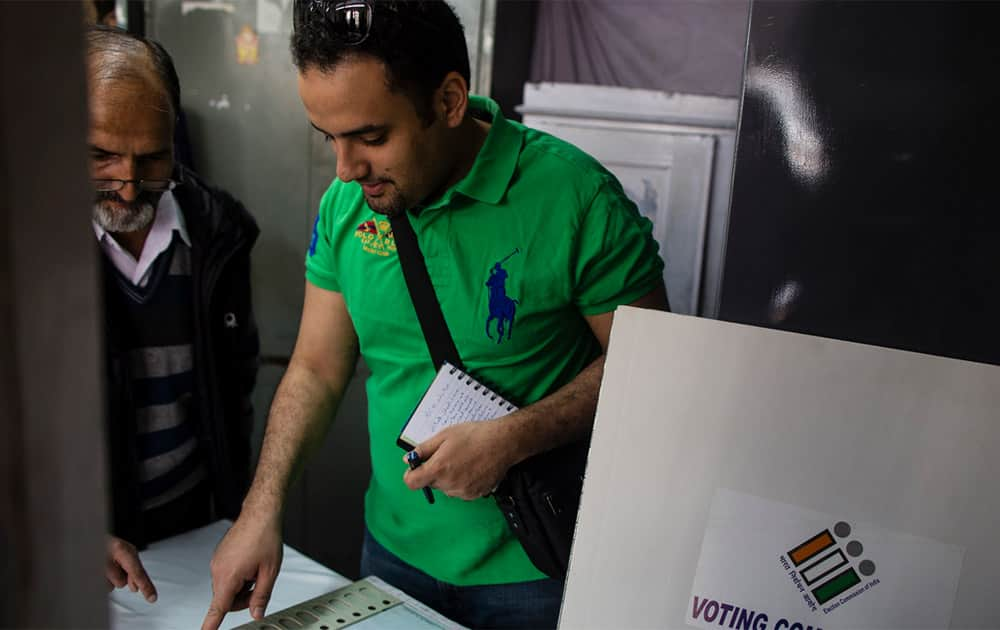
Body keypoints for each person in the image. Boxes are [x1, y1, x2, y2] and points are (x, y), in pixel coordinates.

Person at [202, 1, 667, 628]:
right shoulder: (348, 204)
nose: (345, 170)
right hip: (391, 556)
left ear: (449, 101)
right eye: (329, 138)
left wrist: (514, 437)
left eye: (371, 137)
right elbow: (315, 367)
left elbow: (654, 371)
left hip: (538, 571)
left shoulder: (576, 199)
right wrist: (263, 506)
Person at [86, 26, 260, 602]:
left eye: (152, 158)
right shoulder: (23, 249)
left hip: (196, 533)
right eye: (101, 155)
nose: (130, 186)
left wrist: (240, 512)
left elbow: (234, 389)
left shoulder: (221, 233)